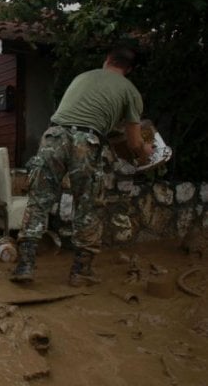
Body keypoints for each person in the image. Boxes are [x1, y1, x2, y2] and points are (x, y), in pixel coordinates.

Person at [11, 46, 153, 286]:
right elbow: (134, 142)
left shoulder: (82, 77)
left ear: (107, 59)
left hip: (53, 136)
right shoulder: (130, 92)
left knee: (39, 200)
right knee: (87, 206)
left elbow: (80, 112)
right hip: (86, 142)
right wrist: (145, 152)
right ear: (129, 69)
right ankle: (81, 271)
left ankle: (24, 265)